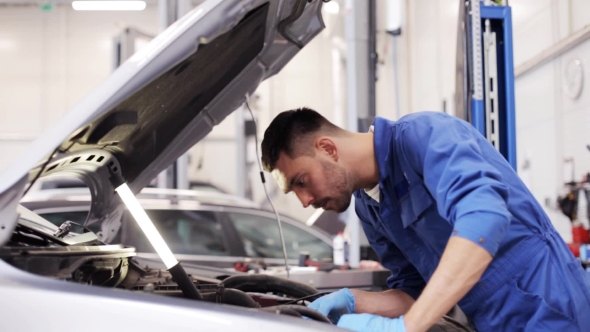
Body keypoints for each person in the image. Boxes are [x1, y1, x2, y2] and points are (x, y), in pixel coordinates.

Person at [260, 108, 590, 332]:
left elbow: (484, 217)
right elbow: (414, 292)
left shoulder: (425, 136)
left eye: (301, 181)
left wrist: (407, 327)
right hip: (491, 321)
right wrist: (353, 301)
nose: (305, 201)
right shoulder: (369, 206)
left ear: (328, 149)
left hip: (549, 307)